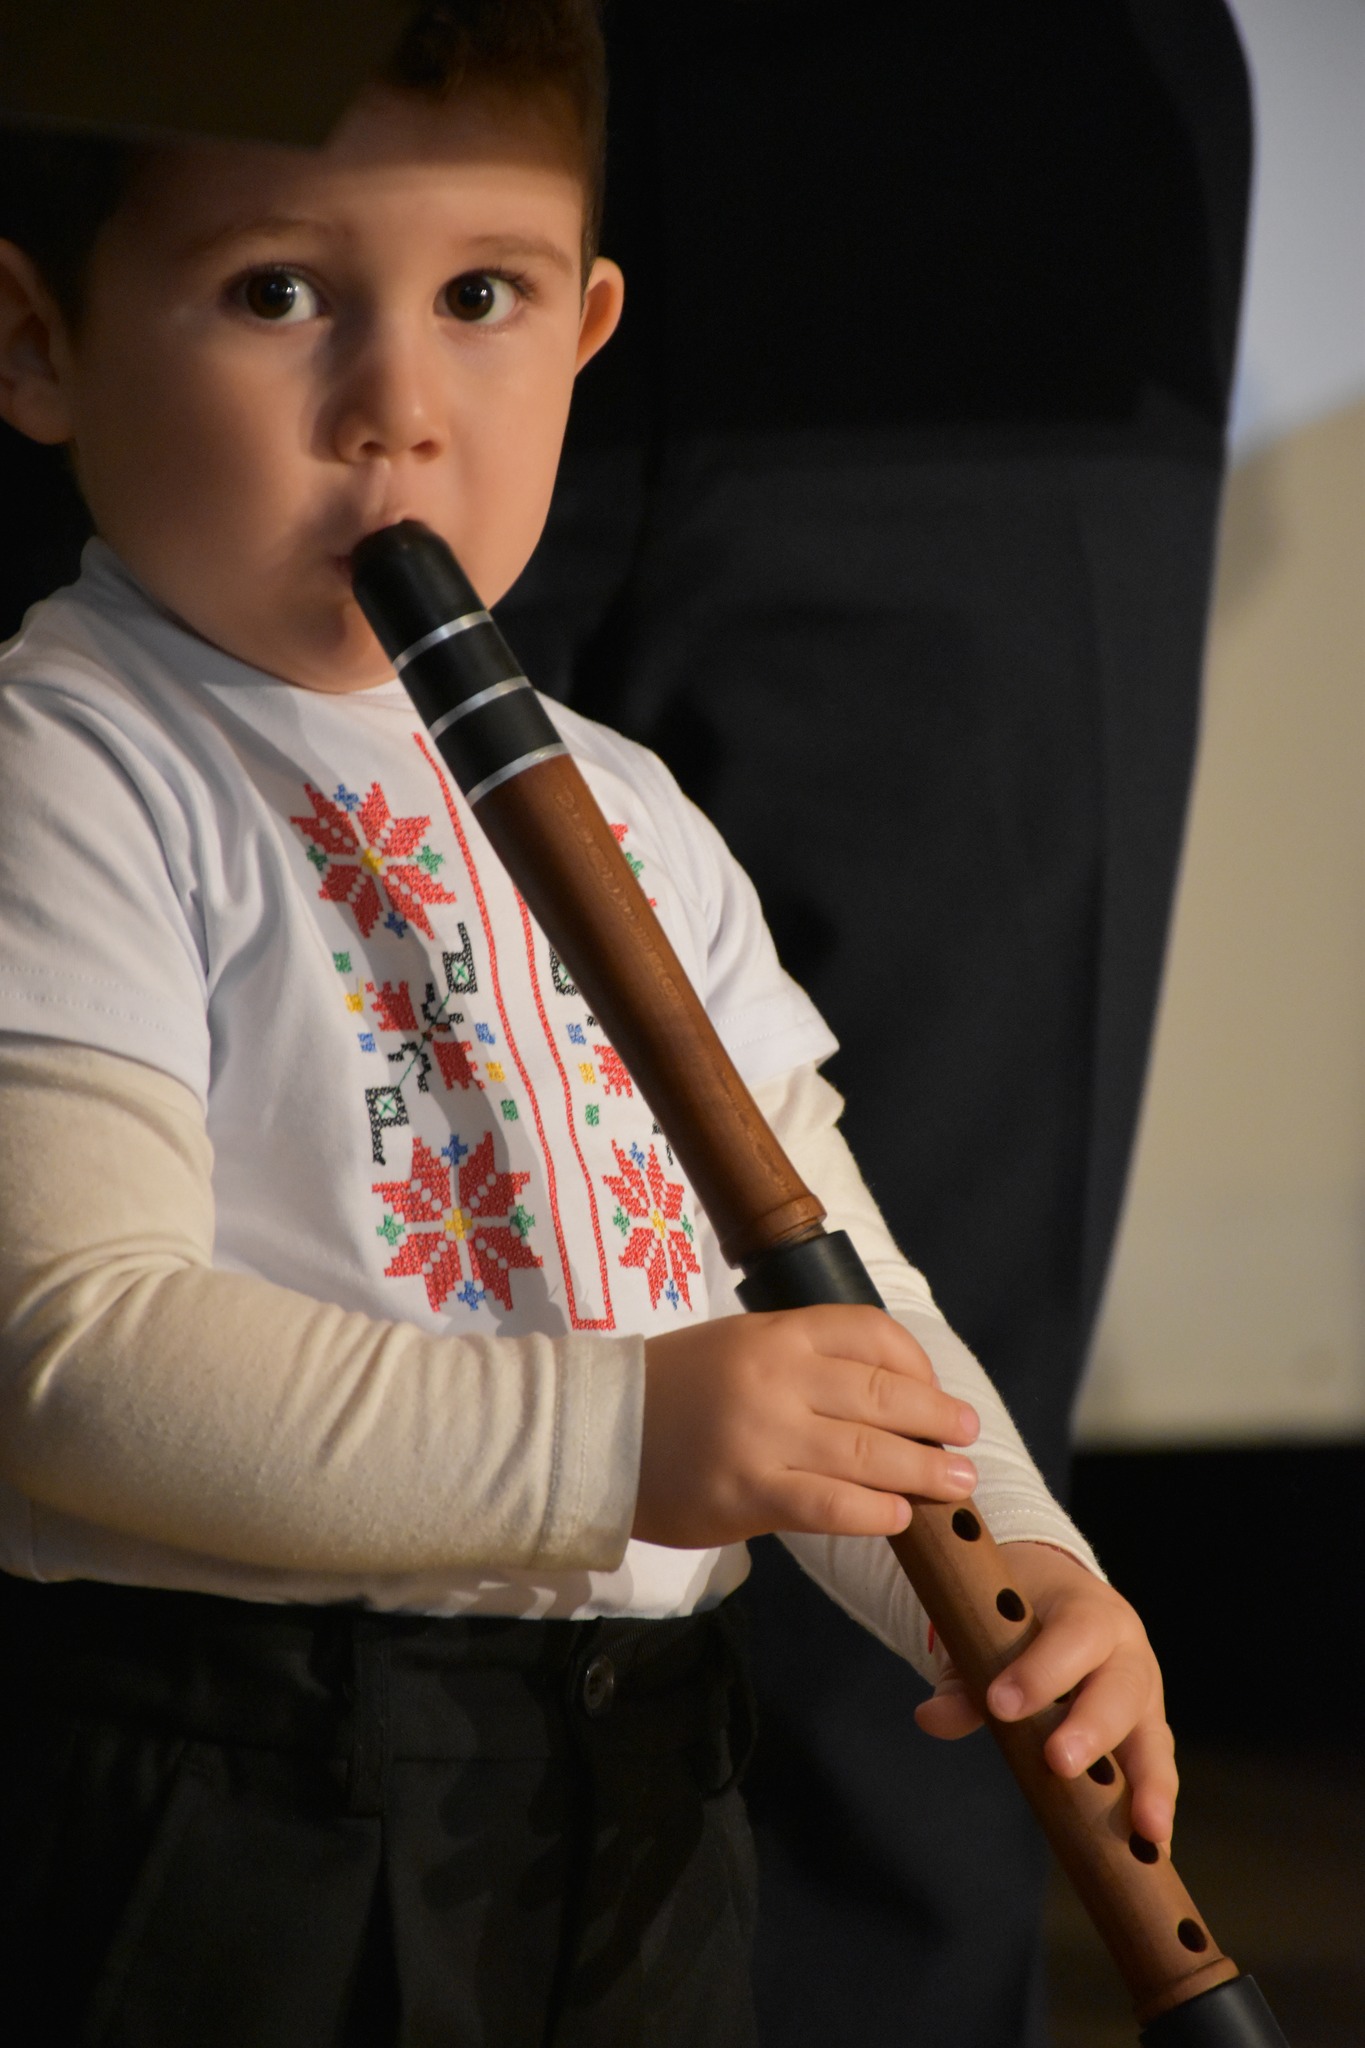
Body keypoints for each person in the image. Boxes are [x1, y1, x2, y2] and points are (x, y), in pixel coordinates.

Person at [0, 5, 1176, 2043]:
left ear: (588, 329)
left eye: (483, 297)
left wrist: (1024, 1566)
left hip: (635, 1787)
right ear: (34, 343)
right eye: (277, 293)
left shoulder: (623, 805)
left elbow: (841, 1295)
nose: (396, 411)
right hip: (238, 1791)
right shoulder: (73, 765)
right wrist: (622, 1435)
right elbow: (70, 1363)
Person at [494, 4, 1254, 2039]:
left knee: (911, 1648)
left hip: (983, 214)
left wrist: (1023, 1545)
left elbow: (886, 1354)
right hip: (327, 142)